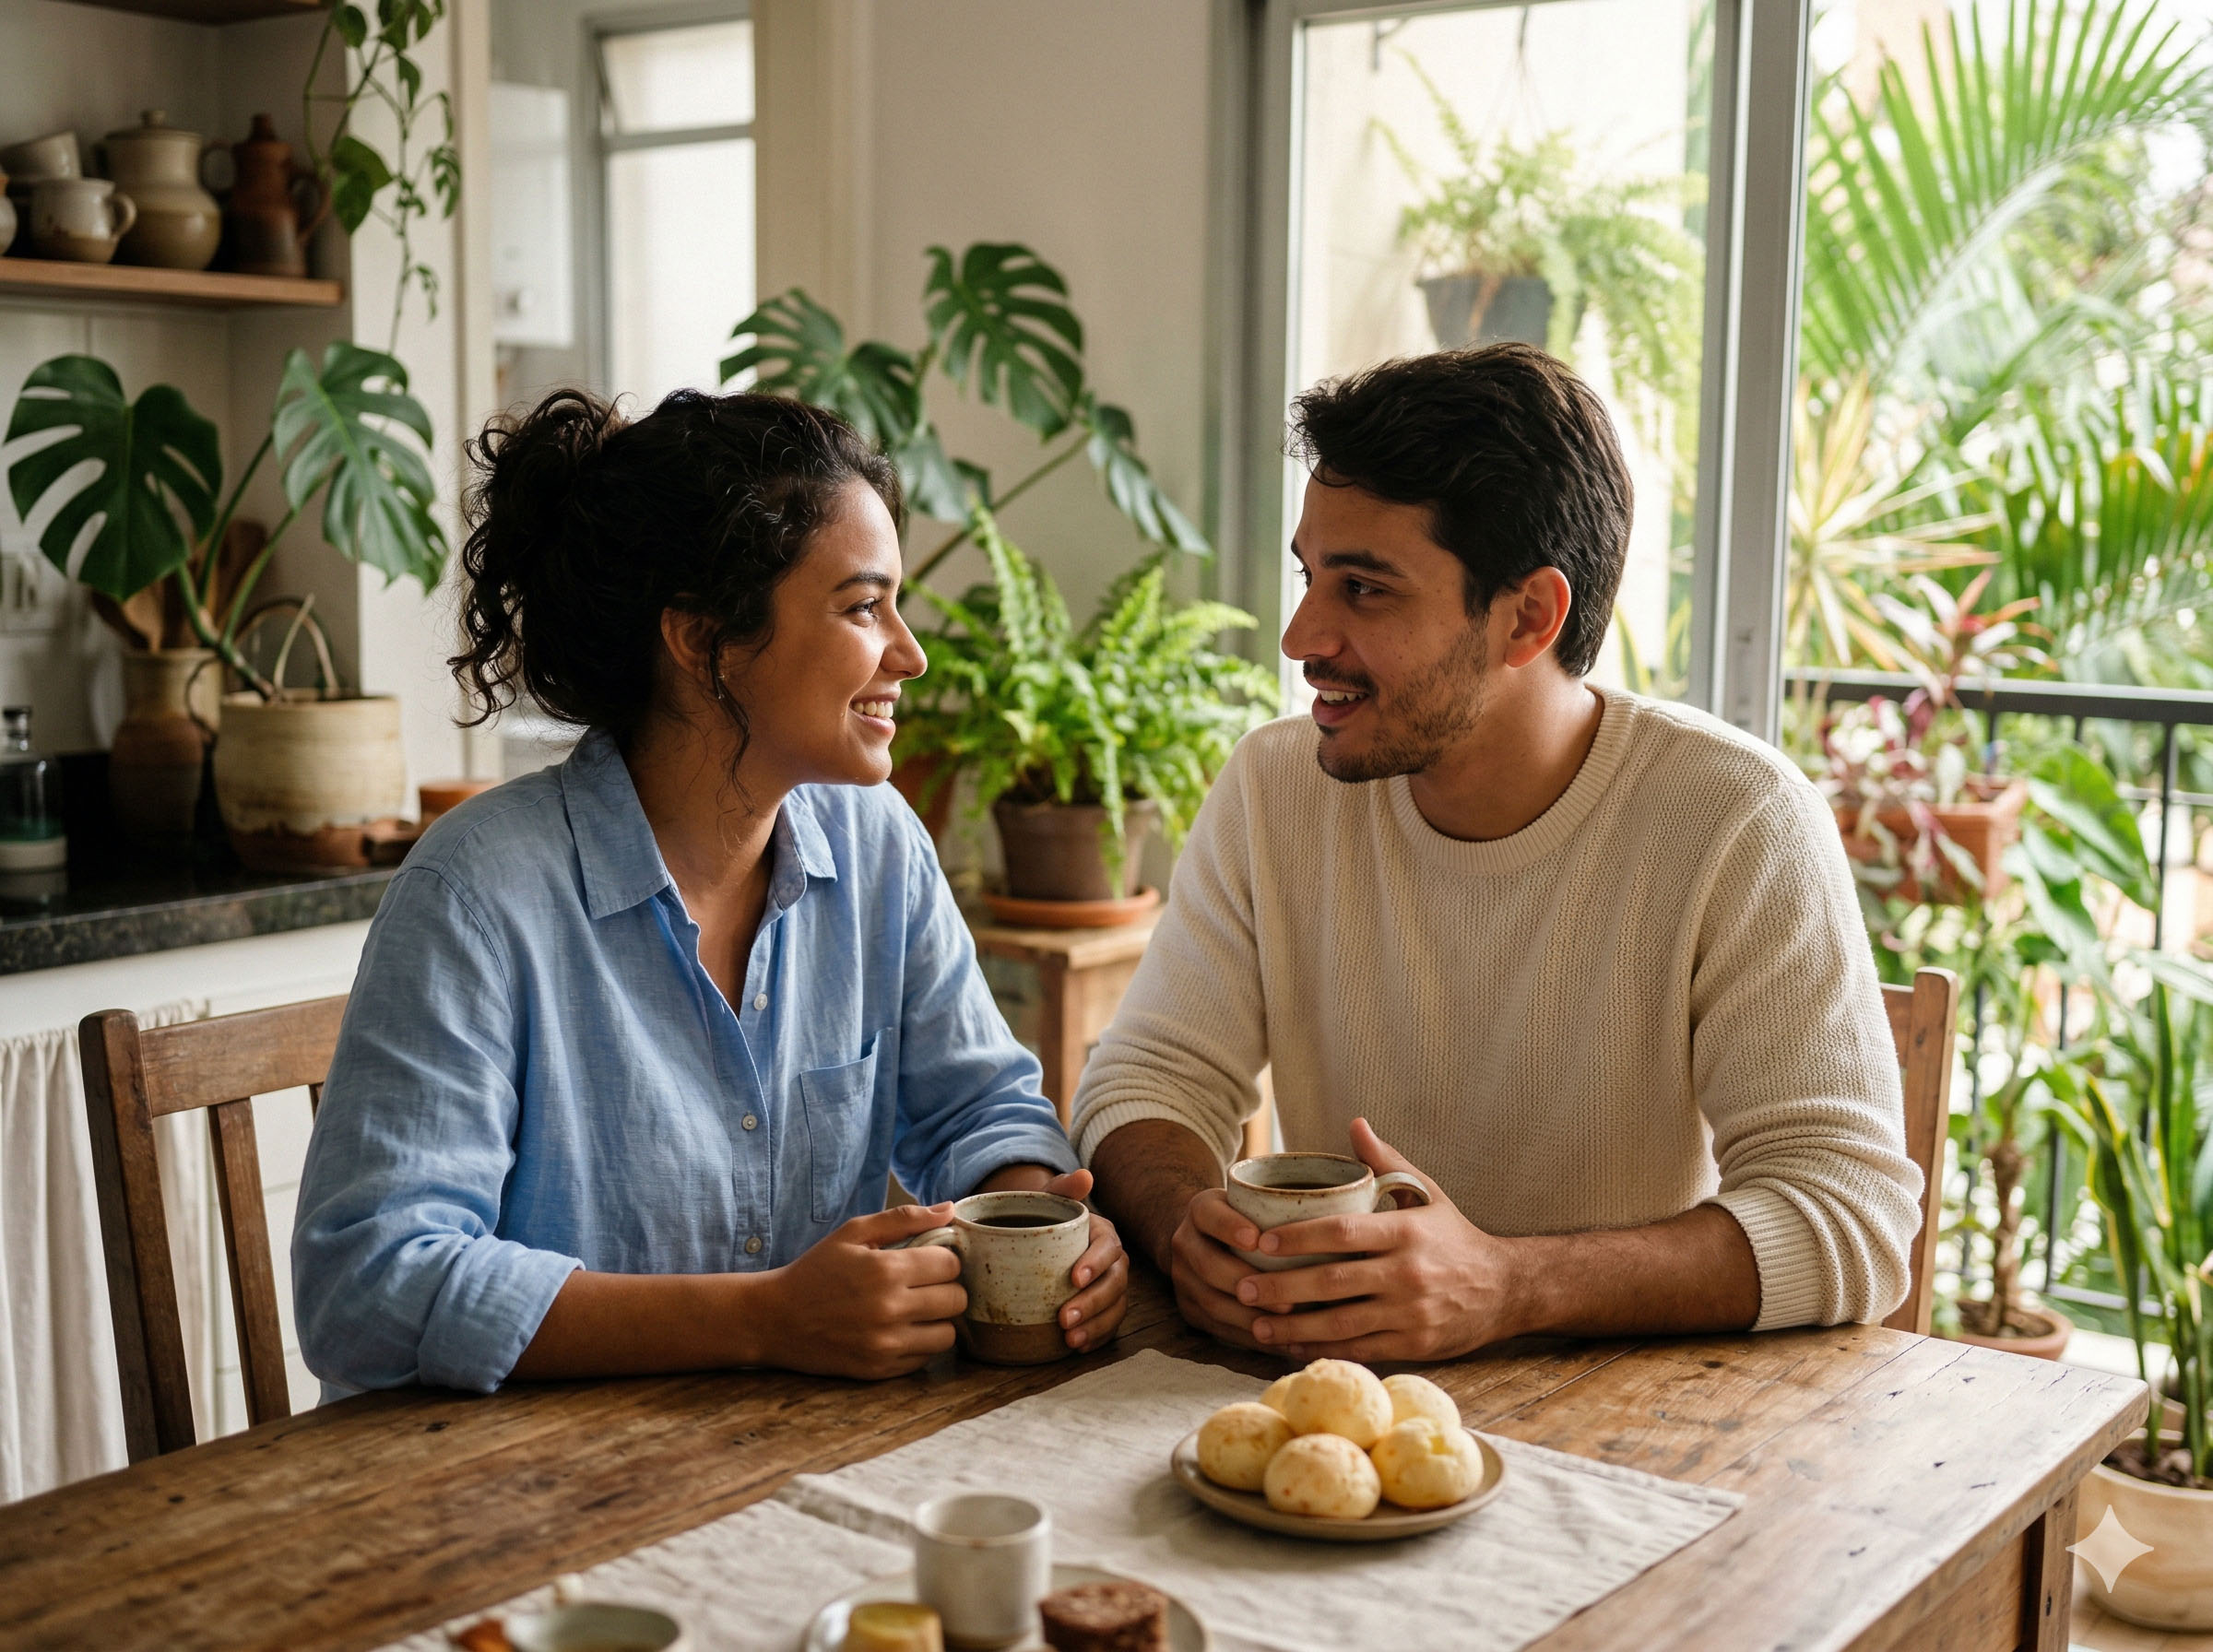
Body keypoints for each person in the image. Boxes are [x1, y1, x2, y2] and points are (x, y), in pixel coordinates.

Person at [1074, 344, 1921, 1364]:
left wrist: (1509, 1285)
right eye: (1309, 575)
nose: (1300, 635)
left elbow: (1853, 1219)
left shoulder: (1737, 819)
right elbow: (1145, 1083)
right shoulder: (1274, 786)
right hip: (1335, 1399)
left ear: (1530, 617)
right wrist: (1185, 1225)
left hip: (1641, 1420)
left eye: (1365, 589)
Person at [293, 389, 1127, 1395]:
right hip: (518, 1491)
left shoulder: (877, 848)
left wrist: (1045, 1226)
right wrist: (763, 1318)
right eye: (862, 607)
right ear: (701, 641)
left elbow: (981, 1110)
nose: (910, 653)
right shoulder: (476, 895)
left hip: (790, 1460)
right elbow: (369, 1286)